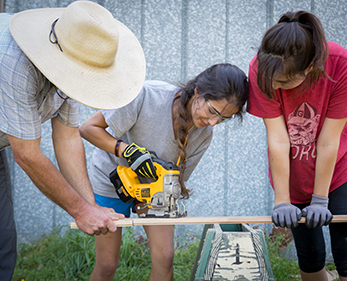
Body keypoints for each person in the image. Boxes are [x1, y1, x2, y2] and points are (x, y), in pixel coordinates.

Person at [0, 1, 146, 279]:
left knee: (2, 240)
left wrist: (90, 205)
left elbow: (67, 137)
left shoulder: (72, 64)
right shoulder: (11, 61)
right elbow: (27, 155)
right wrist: (79, 210)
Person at [79, 63, 249, 281]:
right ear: (197, 90)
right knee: (108, 263)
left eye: (223, 119)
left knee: (165, 258)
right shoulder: (148, 96)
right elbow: (87, 128)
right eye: (212, 111)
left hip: (155, 187)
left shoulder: (204, 134)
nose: (213, 123)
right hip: (114, 179)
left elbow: (175, 183)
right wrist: (127, 150)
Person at [247, 10, 347, 281]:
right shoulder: (261, 68)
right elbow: (277, 138)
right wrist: (281, 202)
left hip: (339, 168)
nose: (274, 86)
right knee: (310, 257)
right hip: (293, 172)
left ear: (310, 66)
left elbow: (328, 140)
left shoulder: (343, 65)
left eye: (283, 83)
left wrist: (320, 200)